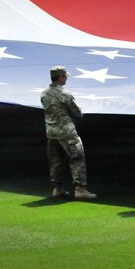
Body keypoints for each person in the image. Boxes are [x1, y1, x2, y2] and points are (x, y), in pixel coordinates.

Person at [40, 66, 98, 199]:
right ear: (61, 78)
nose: (66, 79)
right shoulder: (65, 94)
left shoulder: (43, 93)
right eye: (65, 76)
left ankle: (57, 188)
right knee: (77, 157)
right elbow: (76, 113)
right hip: (67, 132)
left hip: (51, 131)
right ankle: (80, 189)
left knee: (55, 160)